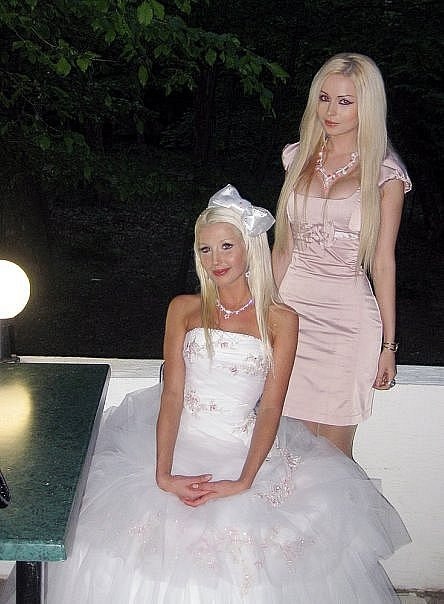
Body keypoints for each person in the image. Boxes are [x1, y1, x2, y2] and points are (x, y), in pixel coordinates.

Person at [44, 185, 409, 603]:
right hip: (180, 440)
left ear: (249, 249)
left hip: (242, 447)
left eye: (226, 246)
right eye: (205, 250)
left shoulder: (281, 319)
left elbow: (271, 406)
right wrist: (163, 473)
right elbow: (172, 395)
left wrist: (244, 480)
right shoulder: (183, 308)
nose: (215, 260)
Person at [272, 53, 412, 458]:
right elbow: (283, 248)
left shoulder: (385, 173)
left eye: (345, 101)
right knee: (285, 448)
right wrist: (262, 314)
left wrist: (388, 346)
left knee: (333, 454)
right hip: (292, 314)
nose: (330, 111)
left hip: (348, 324)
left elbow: (383, 263)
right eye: (324, 98)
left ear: (367, 106)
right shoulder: (296, 157)